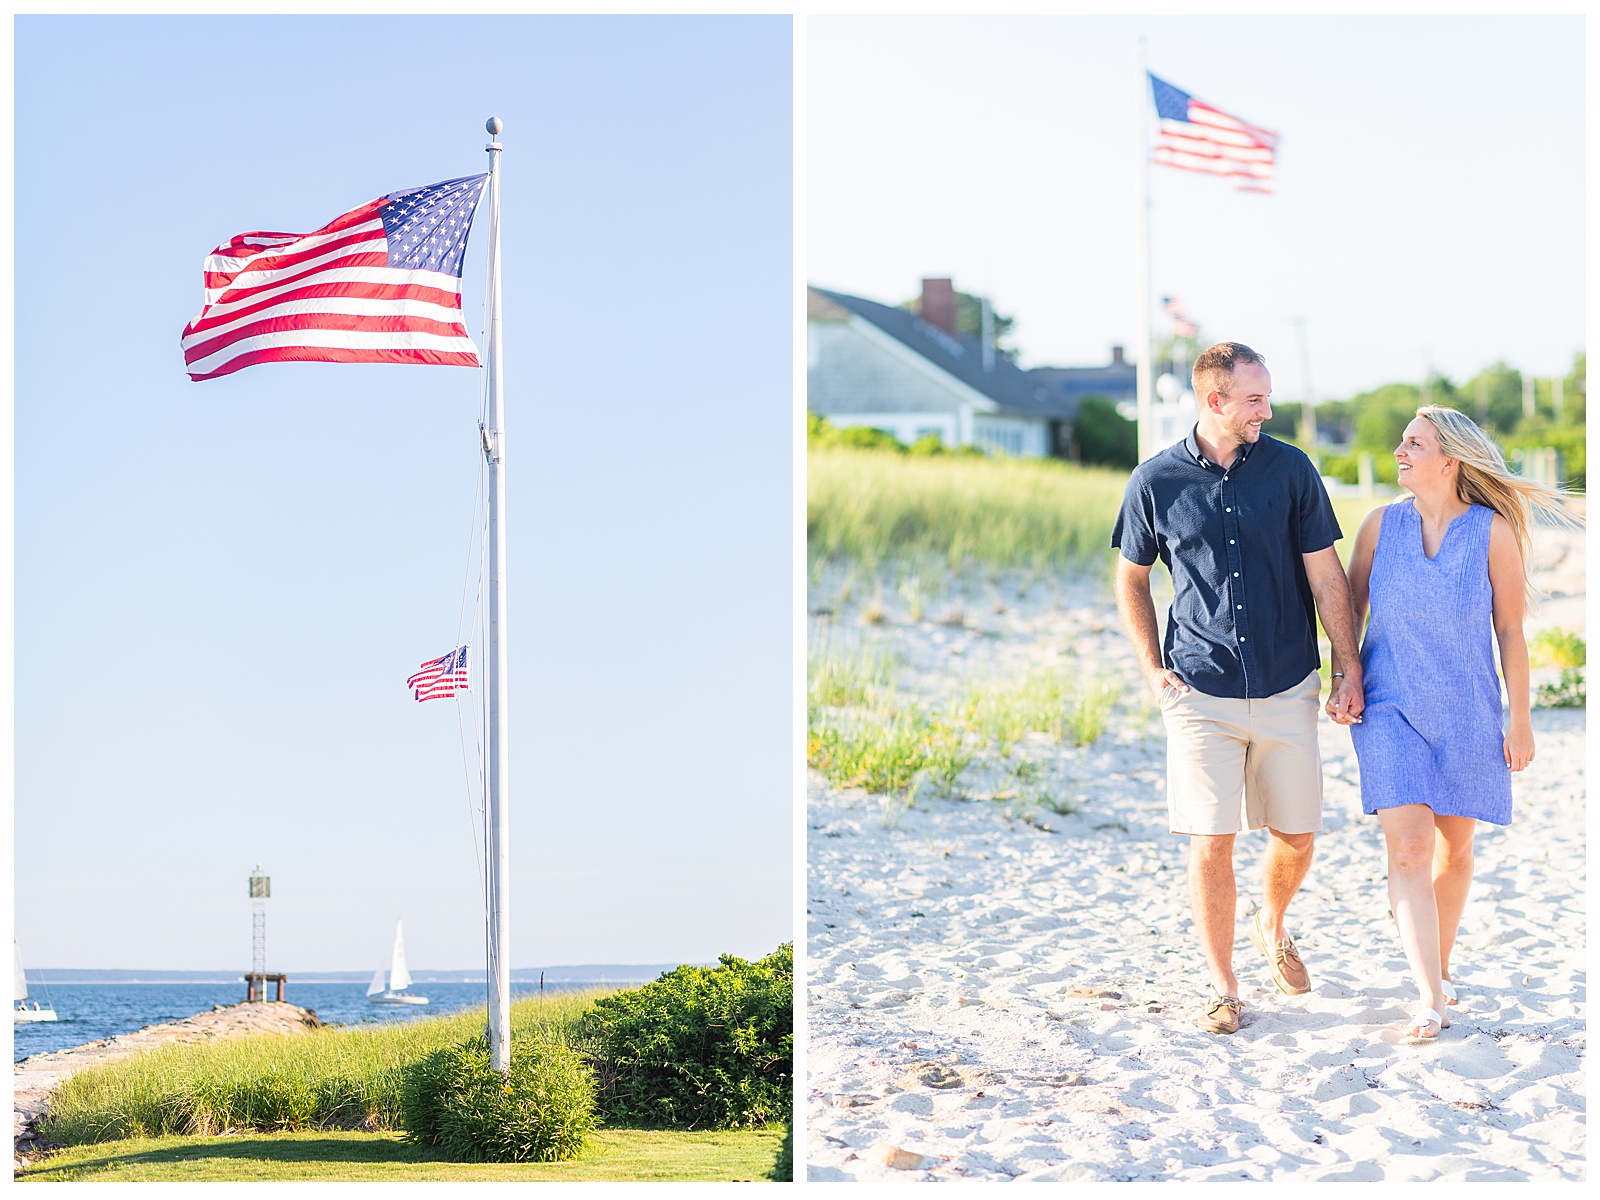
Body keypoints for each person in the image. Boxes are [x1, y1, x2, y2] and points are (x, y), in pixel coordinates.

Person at [1112, 341, 1364, 1035]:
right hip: (1199, 690)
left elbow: (1325, 573)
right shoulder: (1154, 481)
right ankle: (1223, 986)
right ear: (1214, 401)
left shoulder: (1291, 470)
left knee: (1297, 833)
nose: (1268, 410)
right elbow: (1132, 578)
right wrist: (1151, 665)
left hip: (1287, 683)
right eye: (1255, 399)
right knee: (1210, 840)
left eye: (1268, 397)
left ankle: (1273, 923)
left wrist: (1349, 666)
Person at [1344, 405, 1580, 1044]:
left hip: (1470, 711)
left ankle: (1440, 967)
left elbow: (1510, 629)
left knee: (1456, 848)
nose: (1399, 450)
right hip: (1388, 708)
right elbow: (1348, 611)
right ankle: (1428, 997)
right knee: (1411, 846)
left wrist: (1522, 719)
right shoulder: (1377, 527)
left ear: (1449, 460)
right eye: (1401, 441)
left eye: (1413, 443)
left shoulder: (1491, 532)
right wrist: (1346, 675)